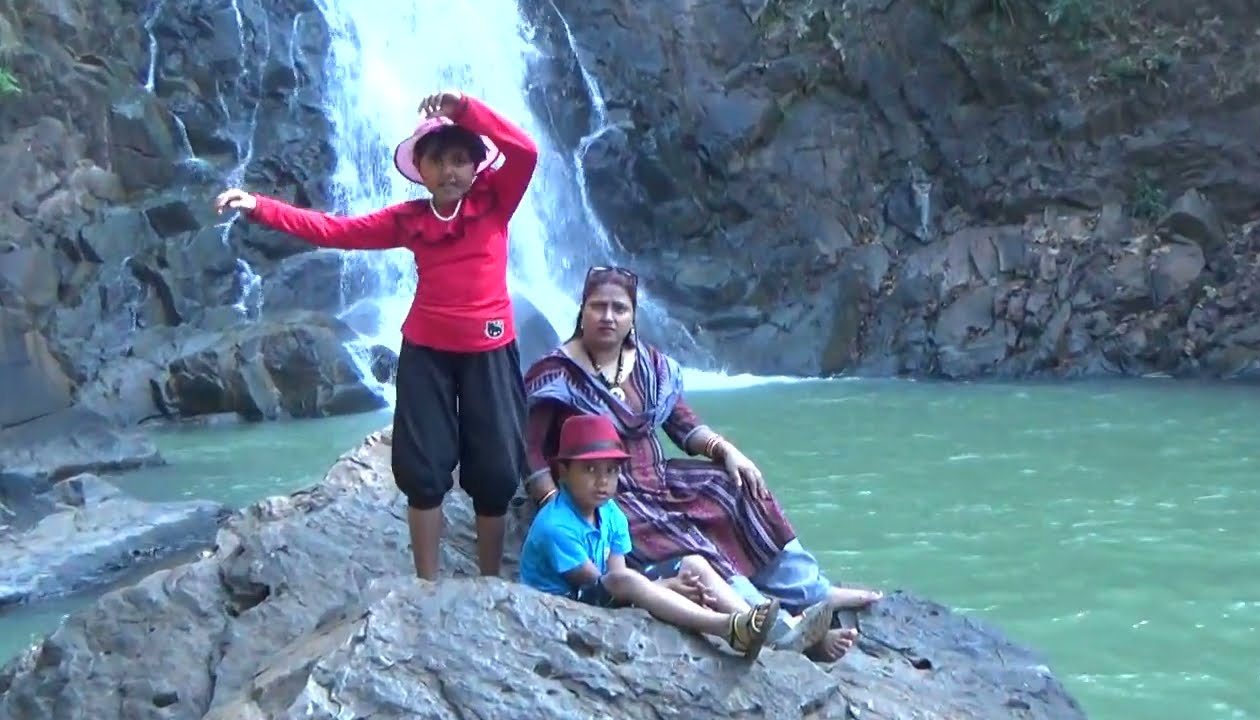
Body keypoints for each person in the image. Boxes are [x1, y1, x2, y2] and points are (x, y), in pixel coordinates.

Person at [215, 89, 537, 581]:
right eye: (437, 161)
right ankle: (426, 584)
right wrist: (259, 205)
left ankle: (490, 583)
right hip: (427, 350)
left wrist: (465, 109)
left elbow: (526, 151)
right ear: (420, 170)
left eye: (459, 160)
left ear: (475, 167)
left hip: (489, 350)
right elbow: (333, 231)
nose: (449, 171)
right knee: (422, 469)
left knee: (495, 470)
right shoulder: (409, 220)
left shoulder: (496, 202)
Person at [523, 266, 881, 662]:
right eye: (598, 307)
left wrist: (728, 452)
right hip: (611, 491)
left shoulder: (649, 365)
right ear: (583, 310)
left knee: (736, 488)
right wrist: (559, 502)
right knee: (684, 538)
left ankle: (808, 589)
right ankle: (768, 620)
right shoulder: (555, 372)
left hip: (660, 476)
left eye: (619, 309)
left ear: (632, 316)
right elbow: (534, 450)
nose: (608, 316)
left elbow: (683, 425)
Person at [520, 414, 797, 661]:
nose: (602, 481)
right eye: (590, 470)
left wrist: (666, 585)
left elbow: (616, 572)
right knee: (628, 580)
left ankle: (760, 630)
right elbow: (601, 583)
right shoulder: (556, 526)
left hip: (608, 588)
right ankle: (727, 627)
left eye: (611, 471)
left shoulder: (611, 512)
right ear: (564, 472)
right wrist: (666, 587)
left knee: (694, 563)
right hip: (562, 605)